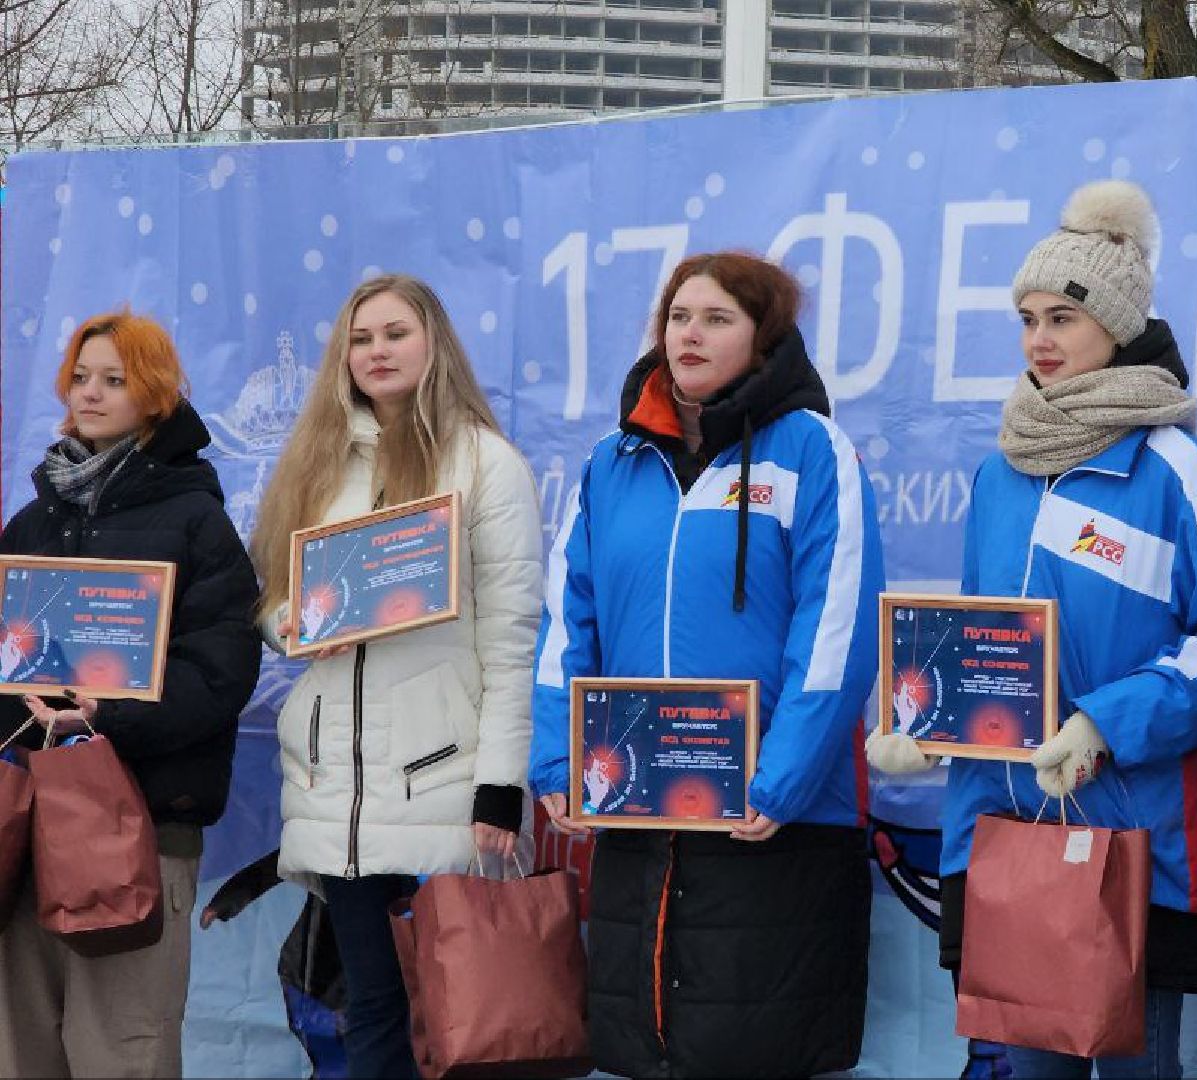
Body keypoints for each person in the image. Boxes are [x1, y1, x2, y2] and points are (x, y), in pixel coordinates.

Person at [867, 180, 1197, 1078]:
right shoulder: (1000, 470)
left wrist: (1103, 723)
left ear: (1119, 327)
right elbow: (986, 647)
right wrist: (930, 725)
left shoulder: (1179, 466)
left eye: (1063, 318)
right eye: (1026, 319)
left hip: (1137, 843)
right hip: (1007, 837)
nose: (1039, 340)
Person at [528, 252, 884, 1078]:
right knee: (646, 1051)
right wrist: (558, 758)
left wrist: (782, 777)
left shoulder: (812, 452)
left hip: (768, 822)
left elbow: (835, 629)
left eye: (717, 318)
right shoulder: (610, 464)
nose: (690, 332)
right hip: (636, 814)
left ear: (764, 339)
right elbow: (564, 624)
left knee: (752, 1052)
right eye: (679, 316)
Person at [251, 274, 544, 1079]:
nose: (376, 351)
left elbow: (513, 640)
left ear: (434, 343)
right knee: (371, 1008)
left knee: (458, 1015)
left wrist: (499, 787)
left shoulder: (486, 464)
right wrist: (296, 626)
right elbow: (273, 601)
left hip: (441, 784)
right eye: (360, 337)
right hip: (334, 791)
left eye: (394, 333)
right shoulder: (315, 463)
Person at [0, 311, 262, 1077]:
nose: (92, 393)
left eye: (114, 380)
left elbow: (220, 673)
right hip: (24, 828)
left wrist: (107, 716)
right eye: (81, 377)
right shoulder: (29, 523)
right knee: (20, 1051)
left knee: (124, 1052)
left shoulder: (197, 523)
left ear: (154, 396)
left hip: (139, 831)